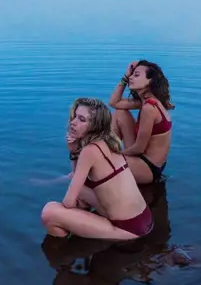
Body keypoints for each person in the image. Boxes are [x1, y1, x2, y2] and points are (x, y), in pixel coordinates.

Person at [41, 98, 153, 241]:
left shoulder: (90, 151)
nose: (73, 122)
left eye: (82, 119)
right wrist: (74, 151)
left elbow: (68, 202)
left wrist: (71, 209)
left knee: (49, 212)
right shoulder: (108, 142)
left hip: (128, 228)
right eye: (74, 116)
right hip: (144, 219)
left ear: (95, 125)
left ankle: (66, 246)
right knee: (79, 189)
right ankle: (82, 225)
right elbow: (78, 180)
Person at [109, 60, 174, 184]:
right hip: (143, 159)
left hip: (148, 168)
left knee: (101, 161)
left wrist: (117, 154)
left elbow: (139, 148)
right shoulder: (146, 101)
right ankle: (108, 151)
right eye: (132, 75)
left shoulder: (149, 108)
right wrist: (125, 77)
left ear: (149, 81)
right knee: (120, 112)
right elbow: (114, 103)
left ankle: (108, 155)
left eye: (136, 75)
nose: (131, 78)